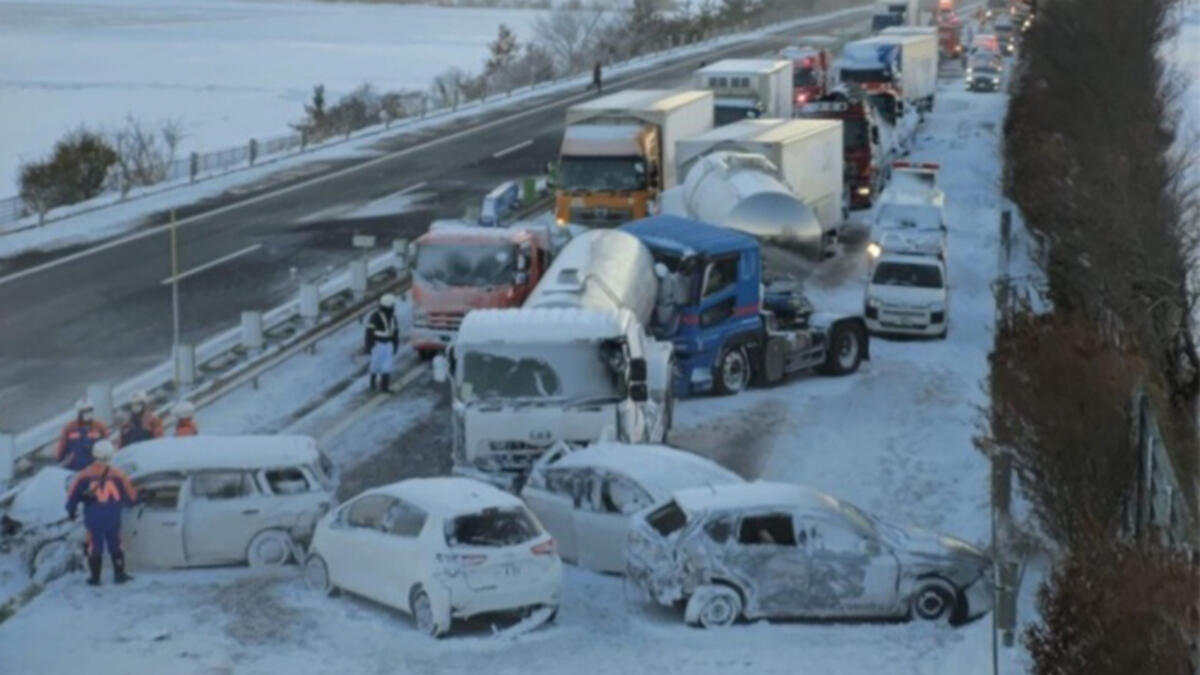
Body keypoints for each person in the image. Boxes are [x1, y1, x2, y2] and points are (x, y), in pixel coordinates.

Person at [66, 440, 138, 586]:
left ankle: (95, 578)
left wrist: (71, 511)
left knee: (94, 546)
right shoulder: (119, 475)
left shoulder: (83, 475)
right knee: (116, 544)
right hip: (113, 517)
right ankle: (119, 574)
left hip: (93, 518)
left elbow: (72, 496)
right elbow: (131, 498)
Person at [56, 399, 110, 471]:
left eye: (90, 410)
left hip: (95, 466)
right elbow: (61, 449)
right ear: (79, 413)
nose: (88, 413)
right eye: (85, 411)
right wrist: (61, 459)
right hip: (75, 467)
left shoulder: (100, 426)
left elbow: (108, 446)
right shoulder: (69, 427)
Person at [365, 293, 400, 392]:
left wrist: (395, 344)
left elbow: (396, 332)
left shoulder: (393, 317)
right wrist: (368, 345)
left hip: (388, 345)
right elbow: (369, 332)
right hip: (377, 344)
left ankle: (384, 387)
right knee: (375, 364)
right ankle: (372, 384)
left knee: (387, 366)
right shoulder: (375, 316)